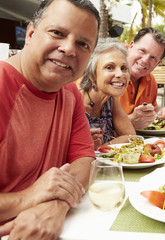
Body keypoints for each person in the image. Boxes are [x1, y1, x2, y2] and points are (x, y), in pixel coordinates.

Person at [0, 0, 100, 239]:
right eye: (57, 33)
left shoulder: (70, 92)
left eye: (82, 44)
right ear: (31, 34)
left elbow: (84, 159)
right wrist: (30, 197)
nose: (68, 49)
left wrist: (55, 205)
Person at [80, 38, 136, 150]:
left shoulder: (110, 100)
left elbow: (131, 137)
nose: (120, 74)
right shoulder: (75, 103)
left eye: (124, 68)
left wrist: (103, 148)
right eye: (109, 67)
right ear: (91, 74)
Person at [118, 27, 165, 129]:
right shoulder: (109, 74)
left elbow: (151, 109)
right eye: (142, 51)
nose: (145, 60)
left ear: (157, 63)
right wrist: (130, 123)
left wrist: (159, 111)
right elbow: (93, 126)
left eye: (153, 58)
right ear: (131, 46)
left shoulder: (151, 81)